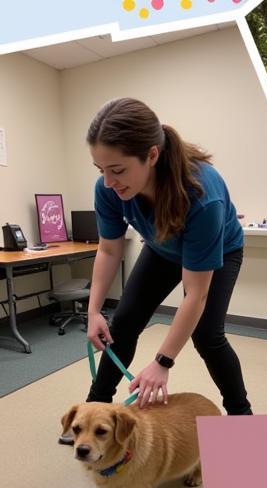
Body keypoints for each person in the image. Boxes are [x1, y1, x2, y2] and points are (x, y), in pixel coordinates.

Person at [64, 96, 250, 437]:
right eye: (100, 170)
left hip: (220, 251)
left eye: (117, 170)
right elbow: (108, 250)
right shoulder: (108, 188)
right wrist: (93, 312)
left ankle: (241, 416)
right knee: (124, 322)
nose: (108, 181)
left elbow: (195, 293)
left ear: (152, 155)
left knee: (207, 336)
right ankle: (95, 408)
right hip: (163, 248)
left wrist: (162, 362)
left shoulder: (202, 195)